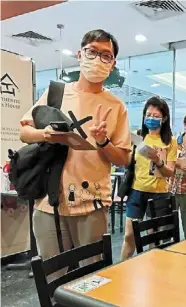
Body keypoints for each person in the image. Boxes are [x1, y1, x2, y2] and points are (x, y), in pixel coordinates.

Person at [20, 29, 131, 269]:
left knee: (91, 277)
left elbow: (123, 159)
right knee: (52, 275)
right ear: (80, 54)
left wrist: (103, 141)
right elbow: (24, 132)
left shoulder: (116, 106)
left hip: (92, 202)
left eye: (106, 56)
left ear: (112, 64)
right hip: (49, 200)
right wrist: (45, 134)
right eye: (92, 52)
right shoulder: (56, 93)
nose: (98, 59)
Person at [120, 96, 177, 260]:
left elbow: (170, 172)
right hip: (136, 192)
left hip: (159, 194)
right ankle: (120, 269)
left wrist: (158, 160)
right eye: (148, 115)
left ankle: (153, 273)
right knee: (129, 236)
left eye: (156, 116)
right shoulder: (137, 137)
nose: (151, 118)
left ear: (164, 118)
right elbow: (127, 164)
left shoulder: (170, 142)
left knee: (155, 239)